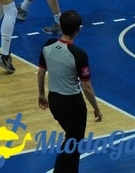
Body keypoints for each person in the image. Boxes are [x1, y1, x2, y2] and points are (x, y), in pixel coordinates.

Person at [38, 10, 102, 173]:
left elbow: (41, 72)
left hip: (54, 101)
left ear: (60, 26)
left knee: (71, 138)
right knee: (74, 142)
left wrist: (41, 94)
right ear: (78, 30)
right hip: (73, 104)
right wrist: (96, 107)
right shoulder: (79, 54)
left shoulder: (48, 46)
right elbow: (86, 86)